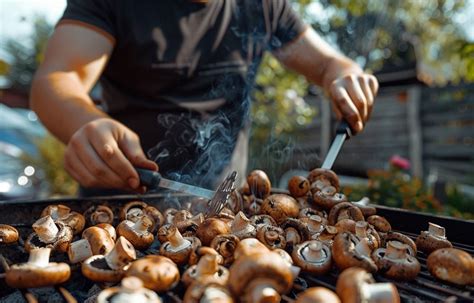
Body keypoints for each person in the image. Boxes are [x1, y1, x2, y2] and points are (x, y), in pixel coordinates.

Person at [30, 0, 378, 195]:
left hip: (221, 211)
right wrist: (87, 122)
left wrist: (344, 74)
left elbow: (329, 64)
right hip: (121, 205)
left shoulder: (262, 6)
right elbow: (58, 79)